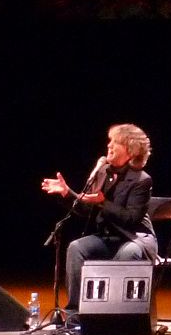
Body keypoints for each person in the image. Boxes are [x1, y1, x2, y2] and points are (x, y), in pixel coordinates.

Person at [40, 123, 157, 323]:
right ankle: (76, 313)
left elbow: (131, 219)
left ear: (130, 150)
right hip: (108, 237)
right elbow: (86, 210)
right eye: (109, 141)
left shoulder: (142, 180)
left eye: (115, 142)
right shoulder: (102, 171)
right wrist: (67, 193)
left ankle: (117, 316)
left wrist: (103, 202)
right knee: (76, 248)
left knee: (127, 253)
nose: (109, 145)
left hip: (135, 238)